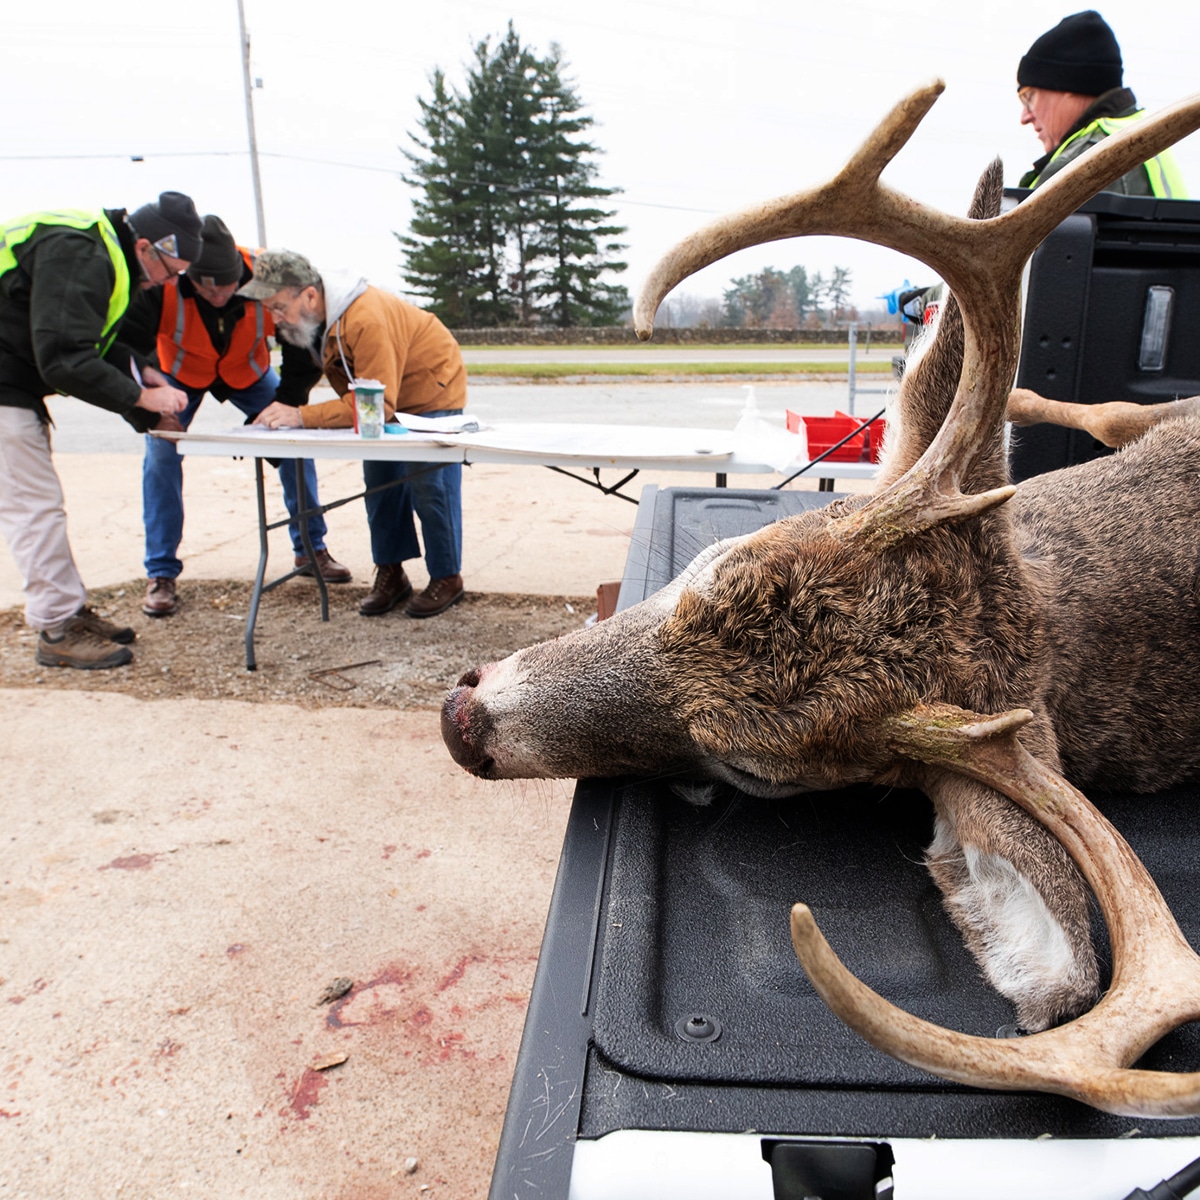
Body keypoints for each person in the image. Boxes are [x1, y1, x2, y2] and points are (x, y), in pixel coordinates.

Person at [0, 193, 199, 670]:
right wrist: (141, 401)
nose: (167, 284)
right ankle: (56, 628)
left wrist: (142, 372)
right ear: (146, 246)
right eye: (170, 272)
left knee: (40, 503)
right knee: (34, 507)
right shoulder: (81, 250)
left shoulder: (101, 249)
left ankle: (66, 610)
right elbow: (65, 358)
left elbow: (86, 341)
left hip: (13, 377)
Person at [122, 215, 350, 618]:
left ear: (242, 276)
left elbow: (302, 348)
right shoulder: (164, 282)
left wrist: (285, 403)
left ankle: (310, 549)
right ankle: (160, 572)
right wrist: (151, 398)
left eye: (224, 288)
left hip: (249, 373)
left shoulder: (267, 275)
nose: (214, 295)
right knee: (159, 456)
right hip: (179, 376)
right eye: (203, 287)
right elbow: (127, 347)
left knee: (295, 442)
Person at [243, 251, 467, 619]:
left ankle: (447, 576)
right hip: (383, 399)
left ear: (309, 296)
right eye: (270, 309)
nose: (275, 318)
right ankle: (391, 572)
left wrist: (300, 416)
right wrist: (283, 411)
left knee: (431, 485)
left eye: (279, 307)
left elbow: (376, 407)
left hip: (431, 392)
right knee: (379, 480)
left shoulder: (365, 317)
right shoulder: (315, 319)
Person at [1016, 10, 1186, 196]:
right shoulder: (1143, 136)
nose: (1025, 117)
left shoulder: (1087, 162)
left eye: (1029, 97)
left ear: (1070, 85)